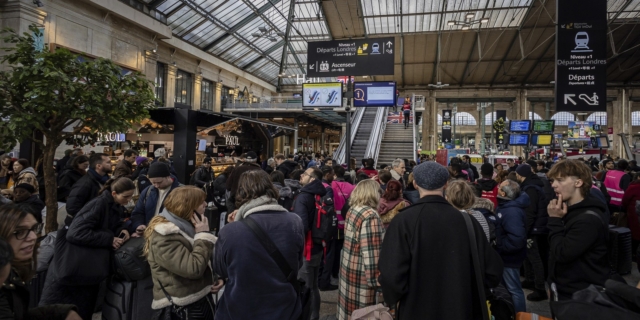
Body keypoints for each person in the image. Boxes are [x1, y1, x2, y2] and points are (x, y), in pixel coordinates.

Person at [378, 161, 503, 320]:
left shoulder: (403, 221)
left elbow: (390, 274)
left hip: (416, 310)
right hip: (462, 309)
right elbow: (493, 270)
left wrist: (397, 299)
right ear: (445, 184)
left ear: (415, 184)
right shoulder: (468, 221)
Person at [40, 177, 135, 320]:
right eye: (126, 196)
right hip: (74, 269)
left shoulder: (113, 206)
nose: (129, 200)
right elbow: (75, 232)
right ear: (114, 193)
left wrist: (123, 229)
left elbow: (110, 225)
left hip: (85, 270)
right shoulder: (99, 204)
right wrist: (109, 239)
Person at [214, 170, 304, 320]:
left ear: (241, 193)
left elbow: (221, 269)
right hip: (285, 307)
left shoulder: (231, 231)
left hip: (241, 308)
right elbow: (298, 262)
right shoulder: (294, 221)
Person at [144, 186, 220, 320]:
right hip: (183, 306)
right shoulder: (164, 236)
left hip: (199, 298)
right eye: (201, 202)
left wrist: (217, 277)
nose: (205, 204)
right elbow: (193, 269)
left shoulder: (187, 225)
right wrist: (203, 235)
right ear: (189, 207)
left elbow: (204, 257)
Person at [0, 205, 81, 320]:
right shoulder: (3, 278)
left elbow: (19, 314)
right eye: (19, 231)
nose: (33, 237)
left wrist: (63, 312)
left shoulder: (16, 269)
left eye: (34, 228)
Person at [546, 159, 611, 300]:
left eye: (560, 180)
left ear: (578, 182)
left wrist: (554, 220)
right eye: (553, 180)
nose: (554, 185)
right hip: (565, 288)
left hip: (581, 294)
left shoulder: (588, 220)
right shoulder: (567, 210)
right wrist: (553, 283)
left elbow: (562, 253)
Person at [336, 179, 385, 320]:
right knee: (364, 314)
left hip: (349, 272)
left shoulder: (353, 209)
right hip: (362, 280)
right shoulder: (370, 216)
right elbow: (372, 256)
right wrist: (379, 284)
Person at [292, 167, 326, 320]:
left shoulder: (303, 197)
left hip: (307, 248)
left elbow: (301, 226)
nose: (301, 175)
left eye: (305, 174)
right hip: (318, 246)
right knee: (313, 286)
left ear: (312, 179)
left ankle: (310, 316)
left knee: (306, 287)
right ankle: (315, 315)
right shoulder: (322, 193)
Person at [515, 163, 550, 301]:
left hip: (533, 228)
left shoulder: (530, 189)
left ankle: (540, 288)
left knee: (534, 257)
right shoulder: (532, 186)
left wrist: (525, 231)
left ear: (521, 175)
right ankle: (530, 280)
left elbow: (530, 212)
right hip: (535, 226)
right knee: (527, 255)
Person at [494, 180, 529, 313]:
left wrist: (501, 245)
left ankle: (519, 315)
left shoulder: (511, 211)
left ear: (503, 192)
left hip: (509, 258)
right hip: (507, 256)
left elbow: (517, 238)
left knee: (514, 289)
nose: (497, 188)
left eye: (499, 186)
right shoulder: (506, 206)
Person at [129, 162, 181, 237]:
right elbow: (138, 212)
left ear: (168, 177)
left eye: (159, 182)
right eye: (153, 182)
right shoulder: (148, 191)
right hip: (149, 234)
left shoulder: (182, 192)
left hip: (170, 236)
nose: (156, 185)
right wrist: (139, 224)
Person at [64, 153, 112, 223]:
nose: (111, 164)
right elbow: (72, 208)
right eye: (108, 162)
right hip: (86, 225)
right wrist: (90, 220)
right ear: (98, 166)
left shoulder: (104, 180)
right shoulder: (85, 183)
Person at [622, 172, 640, 260]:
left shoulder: (633, 187)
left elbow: (625, 201)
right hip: (635, 213)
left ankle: (634, 254)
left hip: (634, 214)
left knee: (635, 234)